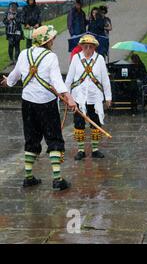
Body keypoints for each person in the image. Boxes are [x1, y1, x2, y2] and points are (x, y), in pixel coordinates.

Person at [1, 25, 77, 191]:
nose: (53, 41)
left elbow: (14, 77)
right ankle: (57, 179)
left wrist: (7, 82)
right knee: (54, 138)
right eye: (52, 39)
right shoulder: (50, 57)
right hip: (46, 104)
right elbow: (57, 81)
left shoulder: (24, 53)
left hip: (27, 103)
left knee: (31, 137)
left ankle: (28, 177)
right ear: (46, 41)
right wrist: (69, 98)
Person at [65, 34, 112, 161]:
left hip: (95, 97)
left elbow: (105, 80)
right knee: (79, 124)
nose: (87, 49)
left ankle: (95, 149)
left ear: (94, 47)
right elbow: (69, 78)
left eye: (90, 47)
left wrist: (108, 97)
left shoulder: (100, 59)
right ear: (81, 47)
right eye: (85, 46)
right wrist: (66, 96)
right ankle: (81, 150)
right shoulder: (76, 58)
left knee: (95, 123)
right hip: (78, 97)